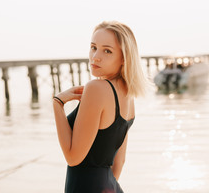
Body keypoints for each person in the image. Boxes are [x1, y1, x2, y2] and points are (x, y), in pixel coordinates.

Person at [52, 21, 150, 193]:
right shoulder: (128, 96)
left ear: (123, 58)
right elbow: (119, 162)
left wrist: (57, 104)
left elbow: (73, 157)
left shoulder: (97, 88)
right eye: (93, 47)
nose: (95, 56)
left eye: (107, 51)